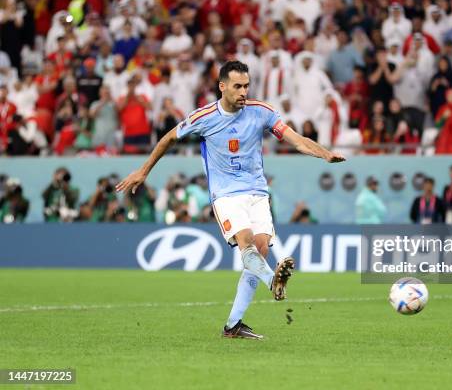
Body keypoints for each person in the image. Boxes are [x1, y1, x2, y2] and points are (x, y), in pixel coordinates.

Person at [116, 60, 345, 339]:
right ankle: (273, 281)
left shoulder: (261, 112)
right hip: (226, 194)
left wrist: (325, 153)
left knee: (260, 250)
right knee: (246, 242)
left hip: (258, 192)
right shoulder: (205, 117)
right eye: (237, 86)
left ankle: (233, 325)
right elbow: (168, 139)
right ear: (222, 87)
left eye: (246, 86)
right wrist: (143, 171)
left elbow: (295, 139)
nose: (243, 92)